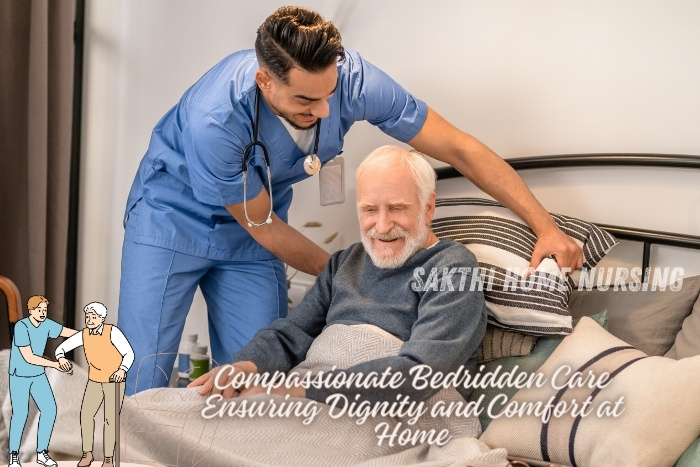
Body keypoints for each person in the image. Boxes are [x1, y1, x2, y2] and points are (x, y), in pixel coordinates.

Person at [118, 5, 582, 396]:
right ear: (265, 82)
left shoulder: (355, 79)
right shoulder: (213, 119)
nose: (323, 111)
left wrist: (545, 226)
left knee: (249, 376)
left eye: (330, 95)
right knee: (144, 376)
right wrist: (357, 278)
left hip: (258, 231)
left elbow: (458, 148)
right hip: (172, 222)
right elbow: (262, 226)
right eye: (305, 100)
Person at [190, 145, 487, 405]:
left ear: (428, 208)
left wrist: (294, 391)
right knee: (178, 410)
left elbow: (419, 372)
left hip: (383, 408)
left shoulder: (452, 267)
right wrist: (243, 368)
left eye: (397, 208)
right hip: (311, 390)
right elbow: (291, 335)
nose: (382, 226)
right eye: (369, 209)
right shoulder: (345, 262)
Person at [55, 302, 134, 467]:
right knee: (86, 415)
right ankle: (87, 454)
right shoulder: (83, 335)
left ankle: (108, 459)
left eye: (93, 316)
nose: (90, 319)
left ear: (102, 318)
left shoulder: (112, 332)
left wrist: (122, 370)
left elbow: (128, 353)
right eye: (88, 316)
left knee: (110, 419)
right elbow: (61, 348)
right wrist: (61, 357)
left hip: (113, 381)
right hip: (94, 381)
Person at [8, 296, 76, 467]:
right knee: (20, 415)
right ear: (31, 311)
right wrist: (55, 364)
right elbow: (29, 357)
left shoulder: (46, 324)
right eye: (39, 310)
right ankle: (14, 456)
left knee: (50, 410)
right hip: (20, 376)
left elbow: (66, 332)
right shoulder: (22, 327)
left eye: (45, 310)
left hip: (38, 375)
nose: (42, 313)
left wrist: (90, 334)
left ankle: (41, 453)